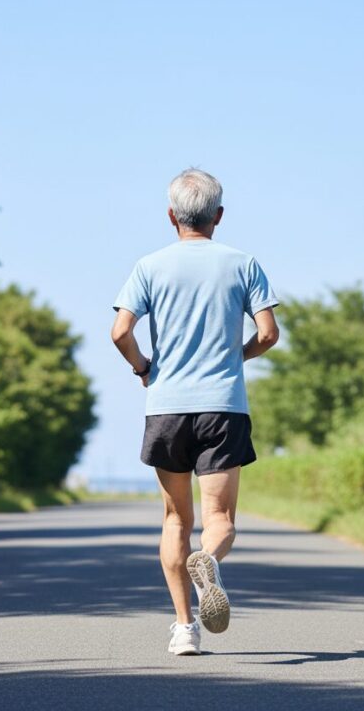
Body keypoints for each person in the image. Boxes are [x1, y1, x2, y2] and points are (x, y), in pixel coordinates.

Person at [110, 168, 280, 656]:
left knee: (174, 520)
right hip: (223, 406)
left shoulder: (149, 266)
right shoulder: (243, 263)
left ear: (171, 216)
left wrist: (144, 367)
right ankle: (209, 561)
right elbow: (268, 334)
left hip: (166, 406)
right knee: (219, 517)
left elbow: (120, 332)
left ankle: (185, 628)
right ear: (219, 216)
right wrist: (235, 356)